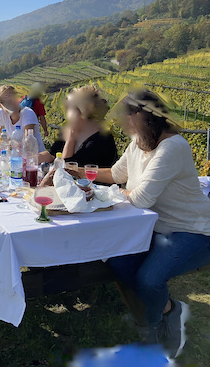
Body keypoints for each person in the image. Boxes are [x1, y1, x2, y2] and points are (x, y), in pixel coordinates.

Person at [97, 89, 210, 357]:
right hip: (156, 229)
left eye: (125, 117)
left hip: (193, 230)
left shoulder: (173, 146)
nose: (122, 124)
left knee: (149, 279)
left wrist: (115, 193)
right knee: (119, 262)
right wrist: (73, 170)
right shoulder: (138, 142)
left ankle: (156, 330)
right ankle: (166, 308)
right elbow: (115, 174)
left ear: (139, 115)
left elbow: (142, 199)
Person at [36, 86, 119, 185]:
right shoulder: (72, 129)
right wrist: (28, 159)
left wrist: (71, 140)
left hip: (92, 193)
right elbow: (52, 154)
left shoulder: (102, 140)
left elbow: (68, 170)